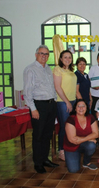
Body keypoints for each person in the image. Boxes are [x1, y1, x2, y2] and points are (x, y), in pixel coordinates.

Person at [23, 45, 59, 174]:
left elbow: (51, 87)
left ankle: (44, 159)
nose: (44, 56)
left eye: (46, 54)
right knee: (38, 135)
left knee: (47, 134)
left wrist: (54, 101)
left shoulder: (48, 69)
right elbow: (27, 92)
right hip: (39, 106)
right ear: (36, 54)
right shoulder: (30, 70)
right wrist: (33, 109)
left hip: (50, 105)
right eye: (41, 53)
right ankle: (38, 163)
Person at [53, 50, 77, 161]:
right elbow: (58, 87)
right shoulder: (58, 69)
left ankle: (69, 147)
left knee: (71, 126)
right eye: (65, 57)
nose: (68, 59)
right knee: (64, 126)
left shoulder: (72, 71)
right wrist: (67, 102)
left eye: (70, 57)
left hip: (72, 101)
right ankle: (61, 150)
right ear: (61, 59)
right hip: (62, 102)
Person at [64, 99, 99, 172]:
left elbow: (96, 134)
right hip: (71, 146)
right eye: (79, 106)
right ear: (75, 108)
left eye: (83, 106)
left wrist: (82, 140)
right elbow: (72, 139)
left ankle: (86, 162)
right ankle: (77, 155)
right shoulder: (70, 119)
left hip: (83, 143)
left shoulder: (91, 117)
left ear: (87, 108)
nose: (81, 108)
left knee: (91, 146)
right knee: (73, 170)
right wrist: (89, 139)